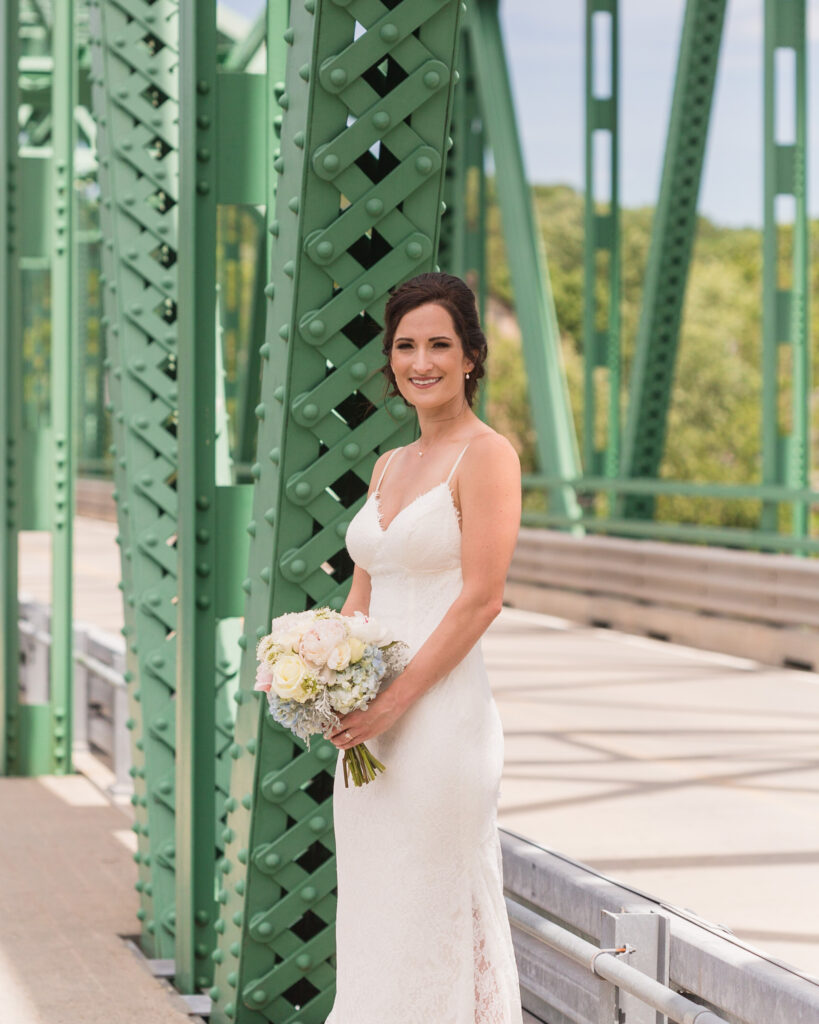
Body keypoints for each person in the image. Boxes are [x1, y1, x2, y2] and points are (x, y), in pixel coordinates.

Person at [324, 272, 523, 1024]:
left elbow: (481, 598)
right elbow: (362, 596)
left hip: (440, 722)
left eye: (439, 344)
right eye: (405, 346)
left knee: (431, 901)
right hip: (371, 725)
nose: (421, 361)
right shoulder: (389, 465)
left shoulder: (487, 455)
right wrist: (325, 685)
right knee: (377, 905)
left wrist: (391, 703)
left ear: (471, 356)